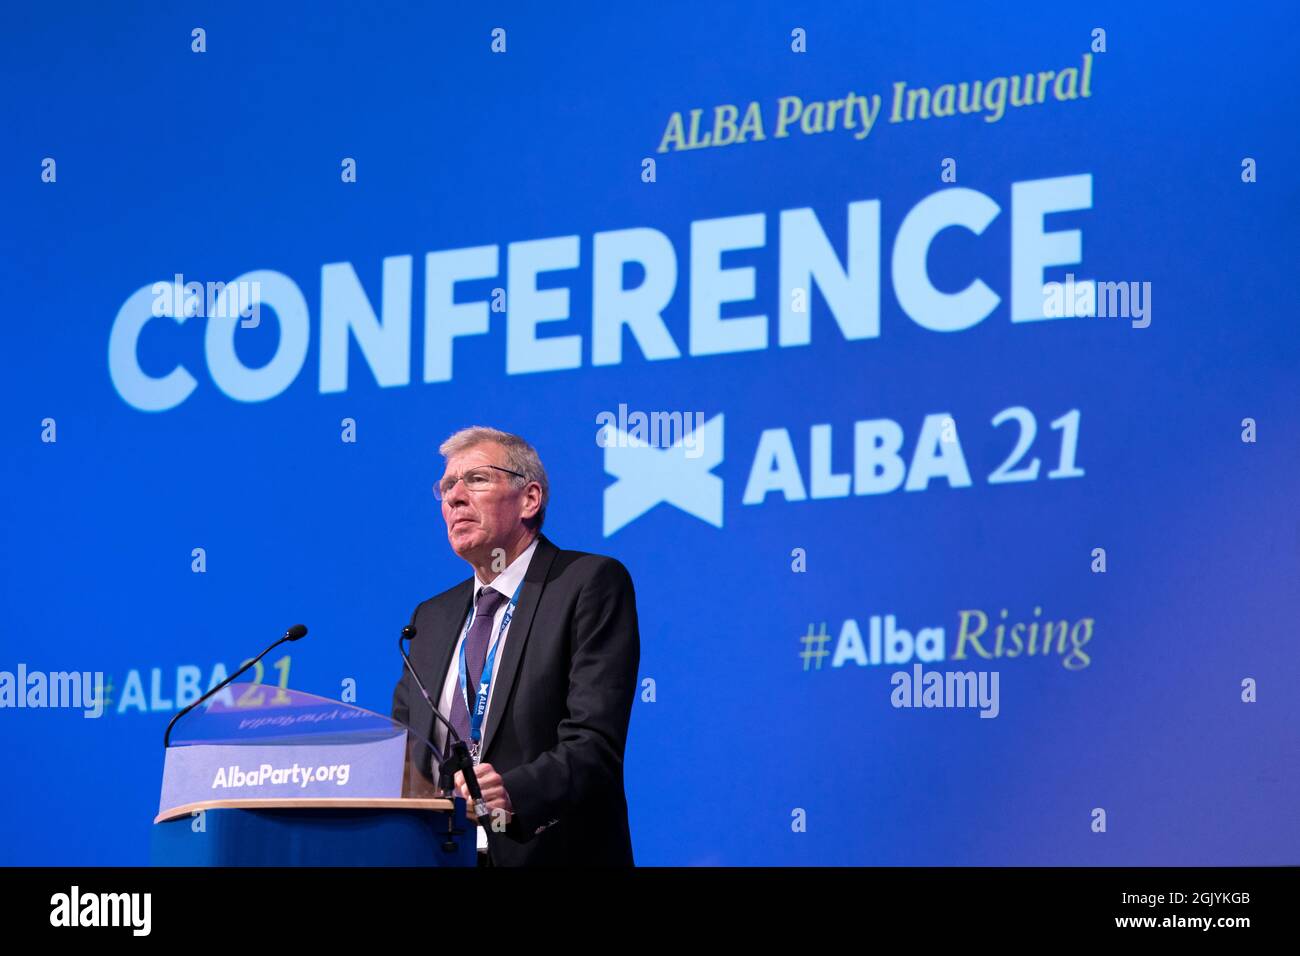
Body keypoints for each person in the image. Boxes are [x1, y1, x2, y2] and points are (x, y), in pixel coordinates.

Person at [391, 426, 640, 866]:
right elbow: (404, 753)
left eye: (476, 479)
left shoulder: (586, 584)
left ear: (530, 499)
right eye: (447, 486)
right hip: (441, 855)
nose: (454, 497)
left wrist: (512, 792)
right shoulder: (430, 619)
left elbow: (594, 742)